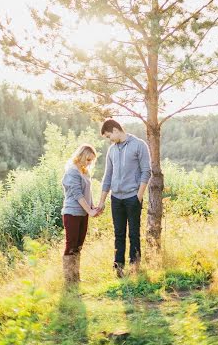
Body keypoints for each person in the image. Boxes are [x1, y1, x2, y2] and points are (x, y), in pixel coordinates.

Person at [96, 118, 152, 278]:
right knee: (118, 234)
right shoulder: (112, 150)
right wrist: (102, 201)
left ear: (115, 130)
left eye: (108, 136)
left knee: (133, 234)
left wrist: (138, 197)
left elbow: (146, 171)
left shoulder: (139, 145)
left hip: (132, 198)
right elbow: (107, 176)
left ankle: (135, 268)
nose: (109, 140)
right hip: (116, 199)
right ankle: (118, 269)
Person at [61, 143, 98, 285]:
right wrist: (89, 210)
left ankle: (75, 276)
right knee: (71, 245)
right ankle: (69, 279)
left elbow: (88, 192)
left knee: (79, 245)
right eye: (88, 159)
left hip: (83, 213)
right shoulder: (72, 171)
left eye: (91, 161)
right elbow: (77, 194)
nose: (89, 163)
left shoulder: (84, 171)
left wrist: (93, 206)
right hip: (72, 213)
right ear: (81, 156)